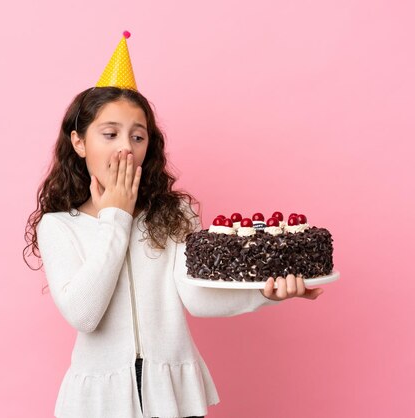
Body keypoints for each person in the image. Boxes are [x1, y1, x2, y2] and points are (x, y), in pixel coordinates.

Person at [24, 31, 324, 418]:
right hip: (99, 403)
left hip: (173, 398)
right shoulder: (59, 226)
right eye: (109, 134)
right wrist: (117, 216)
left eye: (138, 136)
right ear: (79, 142)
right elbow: (84, 314)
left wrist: (264, 293)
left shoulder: (175, 213)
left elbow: (196, 298)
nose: (125, 148)